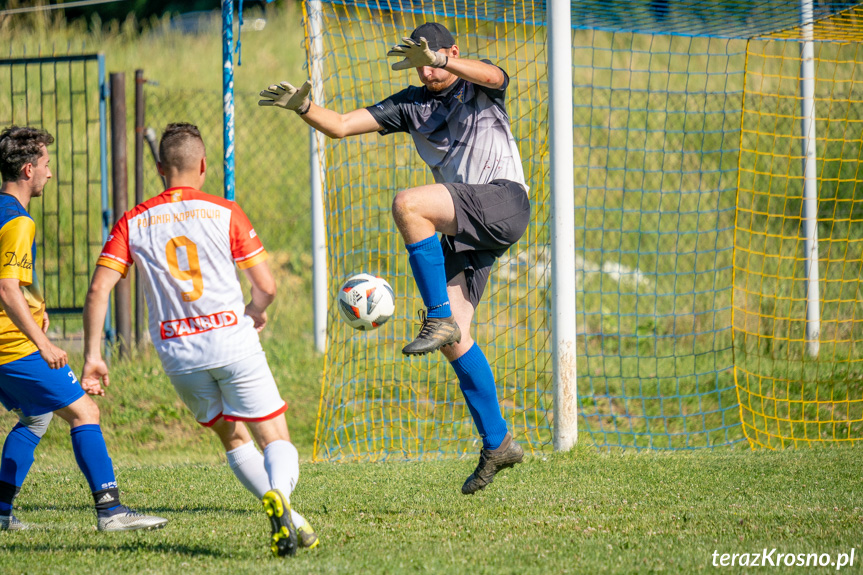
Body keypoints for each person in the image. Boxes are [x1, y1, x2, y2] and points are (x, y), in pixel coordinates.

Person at [259, 22, 529, 494]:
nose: (427, 70)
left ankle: (436, 318)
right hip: (468, 225)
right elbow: (341, 125)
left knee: (408, 203)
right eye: (420, 62)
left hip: (502, 200)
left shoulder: (477, 85)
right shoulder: (411, 104)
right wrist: (303, 107)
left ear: (452, 52)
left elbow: (495, 76)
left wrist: (444, 61)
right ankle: (498, 441)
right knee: (457, 340)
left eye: (435, 58)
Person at [80, 123, 317, 557]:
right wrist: (257, 310)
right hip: (231, 342)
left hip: (179, 355)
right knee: (276, 437)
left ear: (159, 169)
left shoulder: (133, 221)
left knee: (233, 440)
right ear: (203, 166)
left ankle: (292, 520)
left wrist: (93, 355)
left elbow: (98, 290)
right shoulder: (224, 211)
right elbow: (266, 285)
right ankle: (281, 496)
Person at [0, 126, 168, 532]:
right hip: (13, 346)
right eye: (46, 165)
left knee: (37, 416)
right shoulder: (19, 222)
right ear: (28, 170)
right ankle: (111, 512)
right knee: (84, 411)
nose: (50, 174)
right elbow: (6, 287)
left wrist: (36, 307)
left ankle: (0, 512)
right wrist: (43, 343)